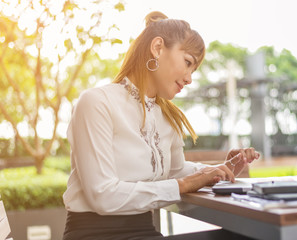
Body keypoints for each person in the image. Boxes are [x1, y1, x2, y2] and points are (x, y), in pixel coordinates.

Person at [62, 11, 260, 240]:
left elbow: (175, 171)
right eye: (187, 63)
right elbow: (103, 195)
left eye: (193, 70)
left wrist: (219, 170)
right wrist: (184, 184)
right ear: (157, 48)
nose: (189, 79)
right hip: (95, 234)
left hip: (145, 230)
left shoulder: (167, 118)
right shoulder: (97, 102)